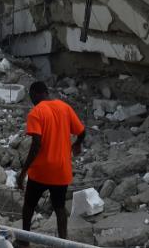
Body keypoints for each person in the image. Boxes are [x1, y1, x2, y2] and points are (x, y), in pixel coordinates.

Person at [16, 81, 86, 240]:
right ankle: (63, 241)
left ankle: (24, 240)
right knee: (59, 208)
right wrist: (77, 144)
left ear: (35, 94)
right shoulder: (65, 107)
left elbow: (36, 145)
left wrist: (23, 172)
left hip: (41, 171)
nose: (32, 99)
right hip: (61, 170)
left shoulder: (36, 113)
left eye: (31, 96)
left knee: (29, 205)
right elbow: (82, 131)